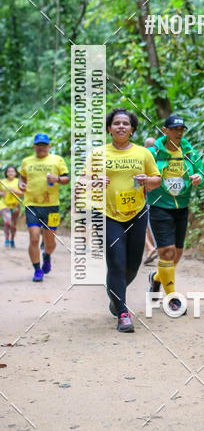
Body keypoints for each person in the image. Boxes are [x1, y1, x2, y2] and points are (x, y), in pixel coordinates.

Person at [80, 109, 161, 332]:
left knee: (133, 265)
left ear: (133, 129)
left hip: (137, 213)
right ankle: (123, 313)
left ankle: (115, 296)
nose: (121, 126)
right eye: (116, 123)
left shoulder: (143, 153)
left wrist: (147, 180)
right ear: (109, 128)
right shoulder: (98, 154)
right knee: (116, 261)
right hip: (106, 214)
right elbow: (82, 180)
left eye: (126, 123)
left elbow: (157, 180)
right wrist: (95, 180)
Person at [147, 115, 204, 310]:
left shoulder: (189, 152)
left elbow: (201, 171)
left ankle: (156, 279)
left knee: (176, 255)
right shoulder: (152, 153)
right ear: (165, 130)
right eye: (174, 129)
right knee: (167, 252)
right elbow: (140, 172)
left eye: (181, 129)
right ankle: (172, 297)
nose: (179, 133)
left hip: (181, 207)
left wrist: (198, 177)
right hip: (159, 206)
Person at [19, 133, 69, 281]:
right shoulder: (26, 161)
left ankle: (47, 255)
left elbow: (66, 179)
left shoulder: (57, 160)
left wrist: (57, 179)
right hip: (31, 205)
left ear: (49, 146)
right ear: (34, 146)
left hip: (51, 206)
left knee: (50, 242)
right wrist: (20, 183)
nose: (41, 148)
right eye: (38, 145)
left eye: (44, 145)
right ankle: (37, 270)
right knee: (34, 238)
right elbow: (22, 177)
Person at [143, 136, 158, 264]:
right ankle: (151, 250)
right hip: (159, 199)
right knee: (149, 225)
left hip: (145, 198)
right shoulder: (160, 159)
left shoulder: (142, 160)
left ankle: (151, 248)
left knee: (143, 226)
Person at [0, 165, 23, 248]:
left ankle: (12, 239)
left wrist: (14, 191)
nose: (10, 173)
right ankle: (6, 239)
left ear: (15, 173)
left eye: (12, 171)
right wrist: (1, 193)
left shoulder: (18, 181)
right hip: (4, 205)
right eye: (9, 171)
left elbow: (23, 193)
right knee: (7, 222)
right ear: (6, 173)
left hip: (15, 205)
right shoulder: (2, 181)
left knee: (13, 224)